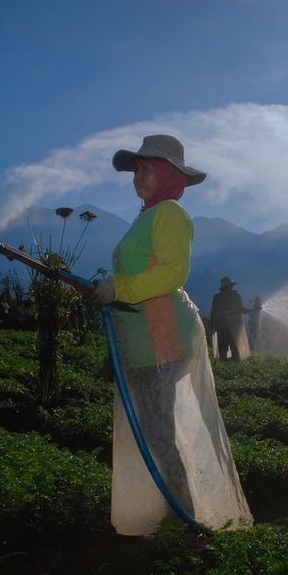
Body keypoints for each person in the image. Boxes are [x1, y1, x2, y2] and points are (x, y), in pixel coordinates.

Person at [87, 134, 252, 535]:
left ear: (165, 174)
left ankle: (188, 520)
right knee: (153, 429)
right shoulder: (147, 216)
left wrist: (119, 289)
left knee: (159, 434)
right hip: (139, 340)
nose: (138, 176)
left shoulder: (171, 215)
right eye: (136, 169)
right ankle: (168, 513)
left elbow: (172, 273)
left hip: (162, 338)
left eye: (146, 169)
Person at [210, 276, 252, 360]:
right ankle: (235, 363)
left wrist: (212, 326)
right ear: (231, 286)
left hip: (221, 324)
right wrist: (251, 310)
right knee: (234, 345)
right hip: (234, 324)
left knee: (222, 346)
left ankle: (223, 364)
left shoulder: (217, 297)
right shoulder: (236, 296)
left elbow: (213, 313)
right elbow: (240, 309)